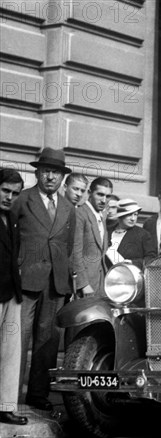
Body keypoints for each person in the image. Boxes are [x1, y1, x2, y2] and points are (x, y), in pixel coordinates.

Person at [13, 147, 76, 412]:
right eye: (46, 171)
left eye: (56, 172)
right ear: (37, 172)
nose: (51, 177)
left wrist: (65, 278)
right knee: (17, 339)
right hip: (25, 282)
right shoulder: (21, 200)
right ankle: (9, 396)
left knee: (48, 342)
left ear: (62, 177)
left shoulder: (68, 207)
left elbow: (68, 246)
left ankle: (38, 395)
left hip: (55, 284)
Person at [0, 169, 28, 425]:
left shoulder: (12, 219)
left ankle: (6, 406)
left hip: (11, 293)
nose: (9, 197)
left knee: (10, 352)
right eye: (5, 191)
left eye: (15, 193)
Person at [73, 177, 113, 297]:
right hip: (85, 284)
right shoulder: (80, 214)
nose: (104, 200)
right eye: (100, 195)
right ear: (90, 193)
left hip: (100, 282)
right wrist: (83, 284)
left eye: (108, 196)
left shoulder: (101, 216)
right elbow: (75, 252)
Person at [106, 199, 156, 270]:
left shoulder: (142, 235)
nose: (133, 218)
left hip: (129, 277)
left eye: (135, 214)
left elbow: (151, 259)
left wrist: (132, 263)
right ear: (121, 215)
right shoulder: (107, 232)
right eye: (129, 214)